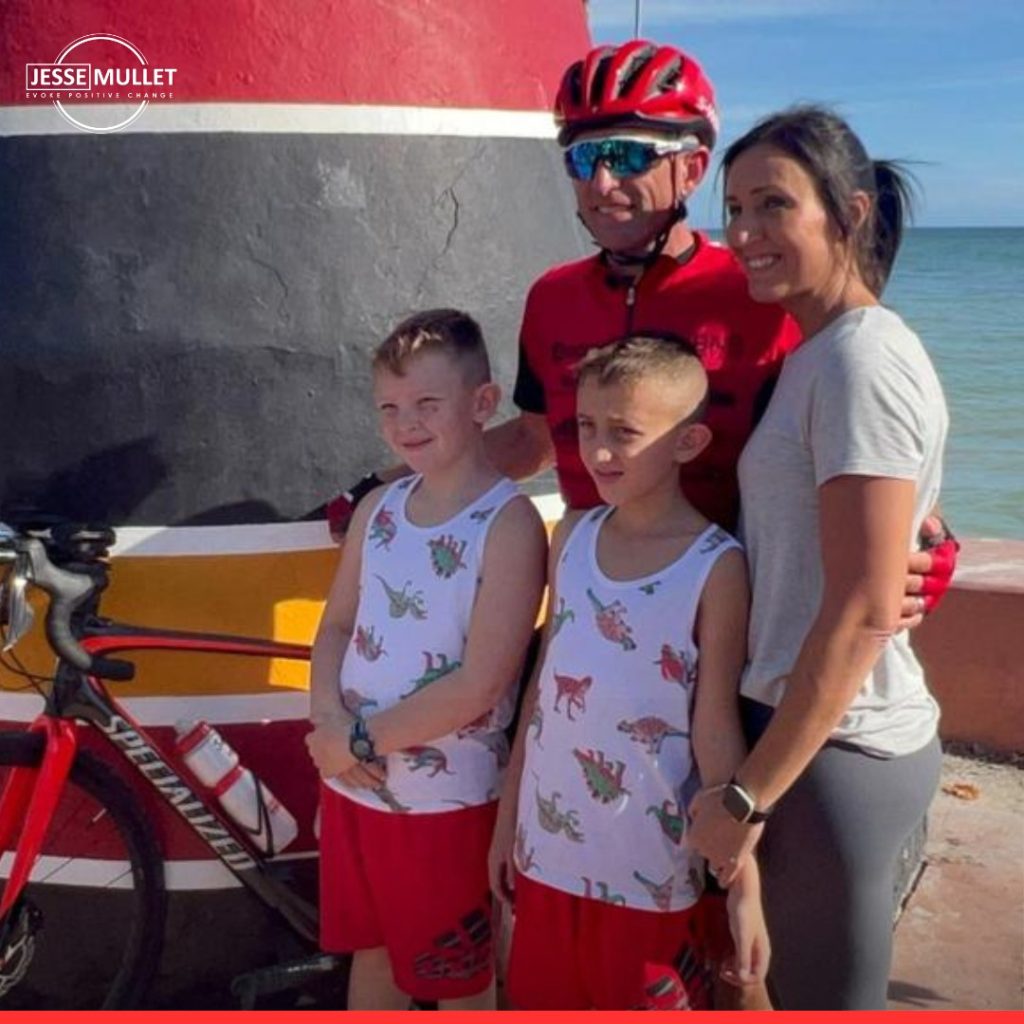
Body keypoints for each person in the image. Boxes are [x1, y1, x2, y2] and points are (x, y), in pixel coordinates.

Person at [323, 40, 957, 623]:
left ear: (694, 167)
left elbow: (856, 430)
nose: (603, 183)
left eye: (628, 156)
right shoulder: (552, 298)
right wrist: (388, 483)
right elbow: (536, 439)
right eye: (583, 158)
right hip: (586, 604)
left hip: (728, 611)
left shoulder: (762, 294)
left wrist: (928, 529)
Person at [687, 105, 948, 1010]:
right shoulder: (822, 355)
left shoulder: (859, 361)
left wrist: (747, 798)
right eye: (734, 209)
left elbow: (865, 610)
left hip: (834, 750)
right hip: (806, 733)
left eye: (773, 204)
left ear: (851, 212)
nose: (744, 233)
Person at [489, 335, 770, 1010]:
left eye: (624, 433)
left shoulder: (715, 566)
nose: (599, 452)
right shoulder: (571, 536)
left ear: (688, 442)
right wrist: (506, 822)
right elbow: (543, 693)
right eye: (587, 427)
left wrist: (744, 883)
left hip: (651, 870)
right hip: (546, 854)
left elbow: (714, 727)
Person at [306, 309, 547, 1010]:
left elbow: (480, 683)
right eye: (389, 407)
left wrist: (355, 740)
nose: (405, 423)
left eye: (426, 404)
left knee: (460, 982)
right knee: (374, 953)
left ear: (483, 402)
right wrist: (328, 723)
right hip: (352, 788)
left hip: (446, 806)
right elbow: (336, 627)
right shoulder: (378, 509)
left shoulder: (509, 524)